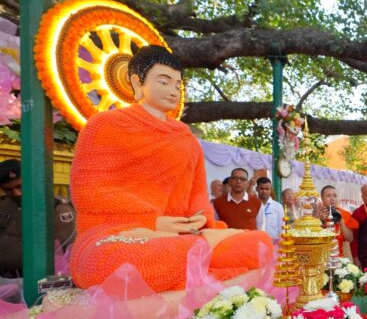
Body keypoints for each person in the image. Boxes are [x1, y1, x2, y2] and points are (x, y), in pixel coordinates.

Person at [69, 45, 273, 292]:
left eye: (177, 85)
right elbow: (89, 193)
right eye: (164, 82)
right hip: (124, 233)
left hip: (185, 234)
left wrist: (199, 217)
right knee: (106, 265)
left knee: (260, 243)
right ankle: (198, 259)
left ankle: (196, 257)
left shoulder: (185, 137)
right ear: (136, 82)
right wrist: (152, 223)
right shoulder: (104, 126)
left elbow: (197, 192)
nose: (173, 91)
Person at [0, 159, 76, 278]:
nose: (16, 193)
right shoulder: (4, 205)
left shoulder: (55, 207)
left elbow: (67, 252)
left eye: (20, 186)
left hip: (34, 280)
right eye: (8, 189)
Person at [319, 185, 358, 256]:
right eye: (328, 196)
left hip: (338, 257)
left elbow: (350, 239)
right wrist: (320, 221)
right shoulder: (316, 214)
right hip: (320, 256)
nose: (332, 199)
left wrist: (342, 223)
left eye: (334, 196)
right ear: (322, 198)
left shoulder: (344, 214)